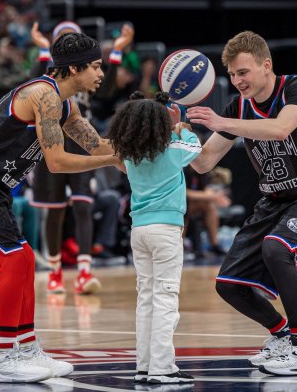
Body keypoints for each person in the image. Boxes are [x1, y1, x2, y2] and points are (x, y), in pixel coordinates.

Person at [0, 32, 122, 383]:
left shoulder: (67, 104)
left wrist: (142, 146)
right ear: (74, 68)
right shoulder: (43, 95)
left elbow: (97, 145)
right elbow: (55, 161)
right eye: (96, 67)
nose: (101, 74)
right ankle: (5, 357)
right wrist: (112, 161)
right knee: (16, 259)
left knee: (21, 260)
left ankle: (26, 347)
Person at [187, 31, 297, 376]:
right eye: (232, 75)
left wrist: (222, 122)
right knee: (229, 285)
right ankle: (282, 335)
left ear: (266, 65)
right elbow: (203, 162)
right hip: (273, 203)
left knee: (276, 249)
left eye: (243, 72)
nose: (238, 81)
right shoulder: (237, 107)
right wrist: (180, 139)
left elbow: (282, 129)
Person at [30, 20, 134, 294]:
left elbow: (107, 87)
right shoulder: (48, 80)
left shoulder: (85, 74)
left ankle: (84, 272)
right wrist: (41, 50)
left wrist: (117, 51)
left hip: (82, 139)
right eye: (61, 39)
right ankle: (54, 272)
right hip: (50, 139)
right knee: (54, 210)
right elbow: (34, 82)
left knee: (83, 205)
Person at [107, 91, 199, 384]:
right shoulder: (173, 150)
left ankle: (144, 365)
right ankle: (163, 367)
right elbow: (194, 146)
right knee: (165, 298)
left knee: (146, 298)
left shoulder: (131, 157)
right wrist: (182, 125)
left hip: (140, 231)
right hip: (166, 231)